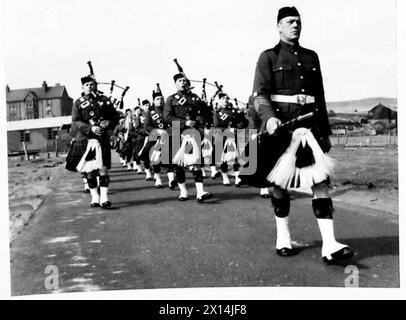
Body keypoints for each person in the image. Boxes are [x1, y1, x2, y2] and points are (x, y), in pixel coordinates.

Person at [251, 6, 353, 264]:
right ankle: (283, 238)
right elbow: (259, 94)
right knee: (280, 186)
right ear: (279, 26)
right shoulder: (268, 57)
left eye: (298, 21)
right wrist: (269, 117)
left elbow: (319, 97)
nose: (295, 25)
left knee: (321, 182)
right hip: (282, 130)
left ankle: (329, 245)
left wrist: (325, 131)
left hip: (311, 130)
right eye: (289, 21)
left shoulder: (311, 57)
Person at [66, 75, 119, 208]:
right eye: (87, 85)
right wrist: (91, 128)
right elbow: (75, 122)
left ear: (96, 85)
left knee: (103, 169)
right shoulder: (78, 103)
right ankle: (95, 197)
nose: (90, 87)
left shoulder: (104, 100)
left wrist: (109, 123)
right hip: (86, 139)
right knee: (90, 171)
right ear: (83, 87)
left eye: (92, 84)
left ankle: (104, 198)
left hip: (102, 139)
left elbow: (115, 116)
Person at [164, 73, 213, 202]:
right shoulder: (171, 99)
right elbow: (167, 117)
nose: (183, 82)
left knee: (196, 162)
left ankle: (200, 192)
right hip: (175, 133)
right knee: (179, 165)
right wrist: (184, 123)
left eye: (184, 80)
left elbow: (205, 114)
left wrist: (206, 105)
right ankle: (183, 191)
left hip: (193, 133)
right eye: (180, 81)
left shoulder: (195, 98)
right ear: (175, 83)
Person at [212, 92, 248, 186]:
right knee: (224, 159)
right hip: (223, 138)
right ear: (219, 101)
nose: (225, 100)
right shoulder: (217, 113)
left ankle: (237, 178)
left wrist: (242, 123)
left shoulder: (234, 111)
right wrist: (228, 130)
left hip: (235, 136)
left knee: (236, 158)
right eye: (223, 99)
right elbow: (216, 127)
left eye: (226, 98)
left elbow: (244, 122)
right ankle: (225, 177)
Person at [144, 89, 177, 189]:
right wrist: (157, 131)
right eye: (158, 99)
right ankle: (158, 178)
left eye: (162, 99)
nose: (160, 101)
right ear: (153, 101)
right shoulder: (150, 112)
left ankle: (171, 180)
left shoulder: (168, 111)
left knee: (170, 158)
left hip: (169, 136)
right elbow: (147, 126)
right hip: (155, 137)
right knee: (156, 158)